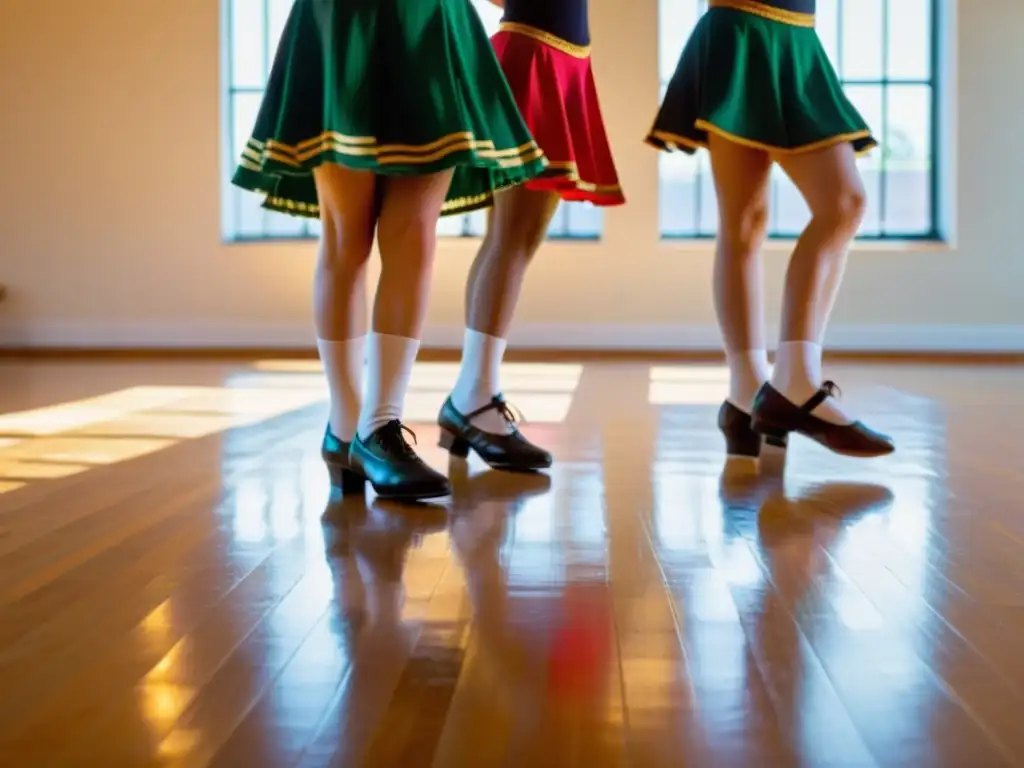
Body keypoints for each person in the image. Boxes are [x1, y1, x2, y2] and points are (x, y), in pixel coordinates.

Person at [232, 0, 548, 500]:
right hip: (341, 19)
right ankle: (345, 425)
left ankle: (380, 424)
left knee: (415, 233)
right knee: (347, 238)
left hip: (431, 22)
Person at [646, 0, 894, 460]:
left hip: (794, 35)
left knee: (830, 207)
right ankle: (777, 382)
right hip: (741, 27)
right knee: (753, 222)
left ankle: (748, 400)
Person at [436, 0, 624, 472]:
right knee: (513, 238)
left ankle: (471, 393)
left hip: (559, 57)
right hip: (534, 53)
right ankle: (474, 398)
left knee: (509, 237)